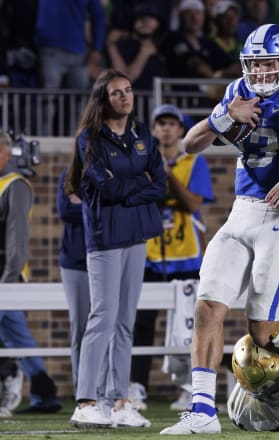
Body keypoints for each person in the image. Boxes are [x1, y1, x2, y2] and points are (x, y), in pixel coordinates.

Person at [160, 24, 279, 435]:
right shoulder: (237, 92)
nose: (260, 71)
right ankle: (203, 410)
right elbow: (188, 146)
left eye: (268, 62)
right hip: (239, 214)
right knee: (207, 305)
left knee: (263, 333)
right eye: (254, 63)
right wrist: (226, 114)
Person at [64, 69, 166, 428]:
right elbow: (103, 189)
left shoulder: (143, 137)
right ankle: (86, 400)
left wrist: (127, 184)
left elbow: (161, 186)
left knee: (125, 322)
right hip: (106, 239)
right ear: (103, 100)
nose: (125, 97)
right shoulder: (89, 139)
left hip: (136, 236)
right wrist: (140, 182)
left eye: (128, 90)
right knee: (102, 318)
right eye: (116, 93)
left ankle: (118, 401)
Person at [130, 103, 214, 411]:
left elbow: (193, 204)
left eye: (171, 124)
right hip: (150, 251)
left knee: (188, 323)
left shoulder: (194, 162)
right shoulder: (141, 163)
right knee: (142, 322)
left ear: (181, 130)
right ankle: (137, 386)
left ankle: (189, 387)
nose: (166, 129)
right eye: (160, 124)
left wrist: (168, 176)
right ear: (153, 130)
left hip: (186, 254)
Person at [0, 129, 61, 415]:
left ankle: (10, 383)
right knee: (17, 337)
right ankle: (44, 392)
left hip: (5, 276)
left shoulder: (16, 185)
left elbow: (18, 237)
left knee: (13, 338)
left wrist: (9, 280)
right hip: (5, 276)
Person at [56, 168, 90, 396]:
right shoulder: (69, 174)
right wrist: (102, 205)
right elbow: (65, 211)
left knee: (115, 328)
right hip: (76, 261)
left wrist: (83, 204)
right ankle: (84, 393)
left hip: (113, 257)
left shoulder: (120, 168)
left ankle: (110, 390)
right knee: (80, 328)